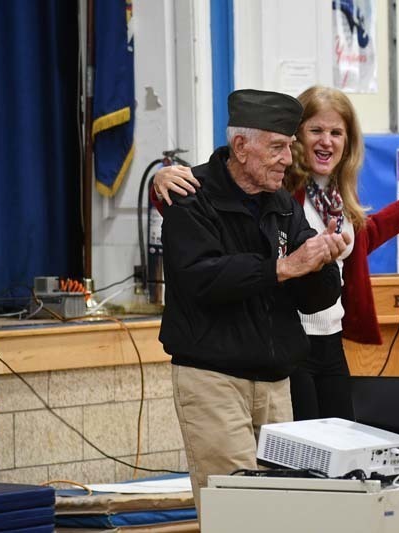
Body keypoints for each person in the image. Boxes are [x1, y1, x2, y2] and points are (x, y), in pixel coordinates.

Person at [154, 85, 399, 421]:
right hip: (289, 335)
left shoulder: (337, 195)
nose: (326, 141)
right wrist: (159, 180)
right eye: (315, 130)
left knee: (340, 438)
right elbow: (201, 200)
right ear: (295, 136)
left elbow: (357, 241)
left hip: (329, 334)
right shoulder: (279, 185)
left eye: (336, 132)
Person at [159, 89, 350, 515]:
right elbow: (200, 278)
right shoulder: (191, 195)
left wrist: (321, 263)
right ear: (242, 147)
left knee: (283, 514)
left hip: (277, 382)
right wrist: (281, 268)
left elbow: (316, 299)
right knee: (238, 513)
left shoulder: (282, 203)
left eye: (289, 147)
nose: (287, 159)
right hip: (213, 380)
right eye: (278, 147)